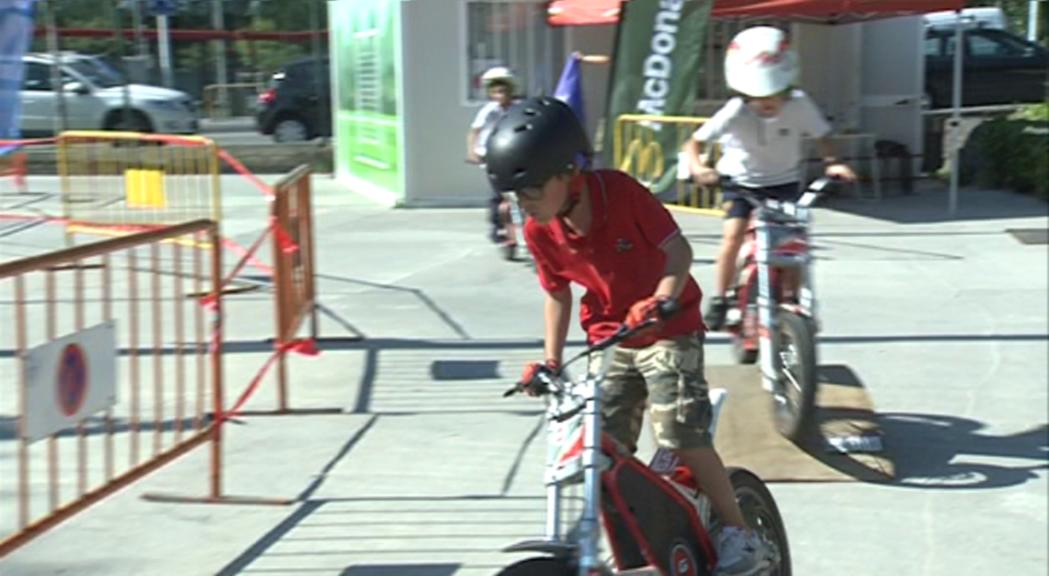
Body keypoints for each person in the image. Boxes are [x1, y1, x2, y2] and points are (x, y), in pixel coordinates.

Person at [485, 96, 770, 575]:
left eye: (531, 189)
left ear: (568, 172)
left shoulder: (619, 193)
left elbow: (678, 253)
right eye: (516, 196)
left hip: (668, 328)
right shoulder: (539, 231)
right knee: (599, 452)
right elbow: (557, 295)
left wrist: (660, 299)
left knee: (680, 431)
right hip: (610, 338)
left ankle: (739, 533)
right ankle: (625, 544)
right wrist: (550, 361)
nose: (524, 204)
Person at [682, 26, 856, 330]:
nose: (766, 103)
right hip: (739, 183)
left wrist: (834, 162)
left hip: (784, 184)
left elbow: (823, 136)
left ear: (787, 86)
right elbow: (694, 142)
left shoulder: (800, 104)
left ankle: (792, 302)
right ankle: (721, 298)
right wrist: (699, 168)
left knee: (792, 244)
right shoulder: (736, 111)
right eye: (757, 96)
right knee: (733, 235)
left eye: (774, 95)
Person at [466, 66, 519, 244]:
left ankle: (524, 224)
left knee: (521, 191)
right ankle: (498, 226)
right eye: (496, 91)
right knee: (497, 194)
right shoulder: (489, 111)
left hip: (513, 154)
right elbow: (474, 131)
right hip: (492, 156)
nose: (500, 94)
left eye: (504, 90)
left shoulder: (517, 109)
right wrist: (473, 151)